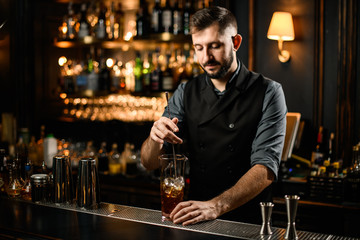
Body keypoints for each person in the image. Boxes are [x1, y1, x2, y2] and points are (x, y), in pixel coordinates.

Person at [140, 6, 287, 226]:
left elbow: (265, 168)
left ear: (236, 42)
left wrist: (216, 206)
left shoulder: (268, 92)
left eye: (214, 46)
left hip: (248, 222)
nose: (206, 57)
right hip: (195, 217)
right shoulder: (185, 92)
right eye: (198, 48)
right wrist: (155, 138)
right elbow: (149, 162)